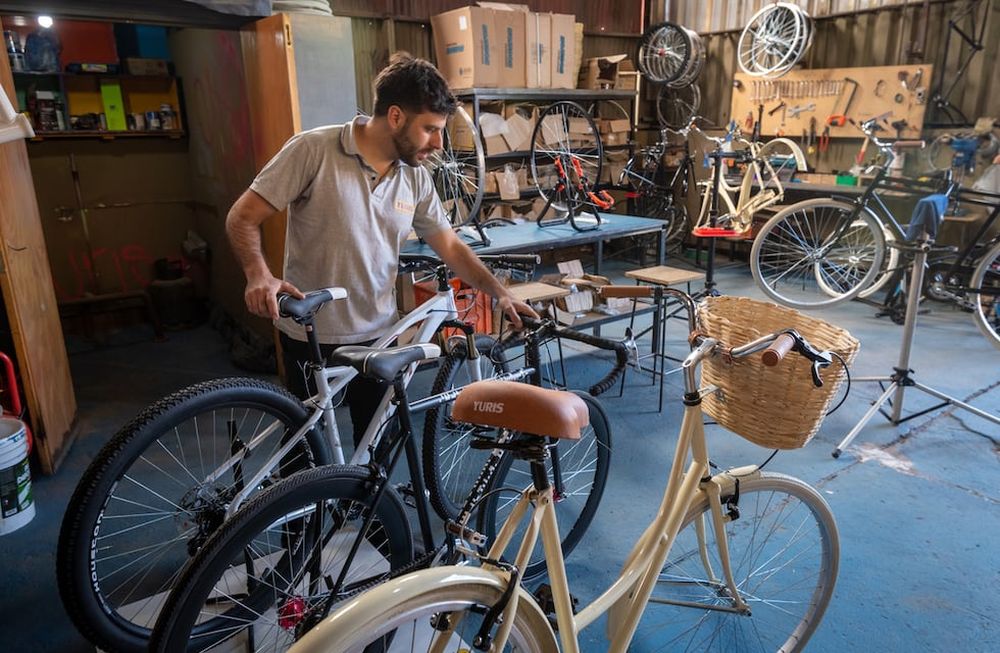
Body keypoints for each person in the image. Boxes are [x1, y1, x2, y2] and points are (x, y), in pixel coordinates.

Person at [226, 52, 537, 446]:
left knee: (372, 444)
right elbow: (242, 216)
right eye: (429, 129)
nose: (438, 144)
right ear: (395, 117)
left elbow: (451, 247)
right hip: (312, 335)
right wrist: (258, 274)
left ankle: (363, 509)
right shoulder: (313, 150)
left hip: (378, 336)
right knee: (306, 448)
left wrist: (501, 293)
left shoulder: (417, 178)